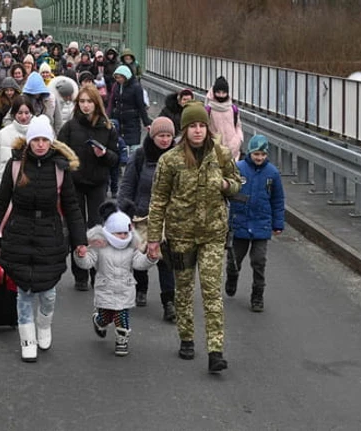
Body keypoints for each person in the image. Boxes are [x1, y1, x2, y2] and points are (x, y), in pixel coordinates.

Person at [146, 102, 242, 374]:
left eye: (202, 125)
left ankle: (215, 351)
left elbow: (237, 183)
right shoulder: (171, 160)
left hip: (212, 234)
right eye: (192, 127)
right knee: (184, 290)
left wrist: (226, 185)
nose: (198, 131)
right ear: (185, 130)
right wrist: (154, 238)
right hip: (181, 235)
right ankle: (186, 338)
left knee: (212, 292)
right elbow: (158, 200)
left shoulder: (220, 154)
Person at [0, 115, 87, 362]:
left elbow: (71, 205)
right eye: (36, 140)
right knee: (23, 291)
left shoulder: (60, 167)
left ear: (51, 142)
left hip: (49, 232)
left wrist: (80, 240)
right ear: (29, 141)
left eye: (44, 140)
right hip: (19, 231)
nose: (40, 144)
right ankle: (27, 338)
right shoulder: (16, 164)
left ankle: (44, 325)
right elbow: (2, 202)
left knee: (49, 291)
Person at [74, 200, 158, 356]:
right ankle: (99, 321)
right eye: (119, 233)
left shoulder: (132, 246)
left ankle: (122, 339)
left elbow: (139, 263)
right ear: (110, 232)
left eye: (126, 233)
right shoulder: (99, 245)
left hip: (124, 288)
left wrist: (150, 258)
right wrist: (81, 255)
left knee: (121, 314)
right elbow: (87, 263)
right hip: (105, 288)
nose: (123, 236)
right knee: (106, 317)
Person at [57, 85, 119, 291]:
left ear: (96, 104)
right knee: (77, 227)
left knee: (96, 229)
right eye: (82, 102)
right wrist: (67, 167)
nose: (85, 105)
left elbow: (115, 159)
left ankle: (96, 271)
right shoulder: (69, 127)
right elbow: (59, 154)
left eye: (89, 102)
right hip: (74, 183)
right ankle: (80, 273)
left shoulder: (107, 128)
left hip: (98, 183)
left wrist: (104, 155)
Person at [118, 117, 177, 321]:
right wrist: (123, 213)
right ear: (153, 136)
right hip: (141, 215)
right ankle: (141, 287)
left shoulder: (178, 156)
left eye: (168, 136)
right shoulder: (141, 156)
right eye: (161, 136)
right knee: (140, 256)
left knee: (165, 260)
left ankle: (169, 301)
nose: (165, 140)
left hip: (168, 217)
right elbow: (127, 184)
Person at [226, 135, 285, 312]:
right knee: (234, 259)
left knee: (259, 261)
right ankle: (232, 277)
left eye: (262, 154)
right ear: (250, 153)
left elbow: (278, 199)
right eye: (256, 154)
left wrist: (278, 223)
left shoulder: (272, 174)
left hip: (261, 224)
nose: (259, 158)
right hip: (240, 223)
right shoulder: (238, 169)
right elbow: (228, 192)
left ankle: (257, 295)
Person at [0, 95, 34, 203]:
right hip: (4, 191)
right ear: (14, 114)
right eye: (20, 113)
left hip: (30, 193)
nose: (23, 117)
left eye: (27, 113)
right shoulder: (3, 134)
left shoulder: (38, 135)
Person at [108, 65, 151, 153]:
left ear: (126, 76)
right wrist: (108, 116)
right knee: (121, 145)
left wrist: (146, 122)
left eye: (119, 77)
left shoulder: (136, 87)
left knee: (134, 147)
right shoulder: (116, 86)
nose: (118, 80)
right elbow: (112, 102)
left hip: (132, 120)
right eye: (116, 78)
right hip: (119, 119)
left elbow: (141, 105)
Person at [206, 76, 244, 161]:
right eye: (218, 92)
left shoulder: (233, 109)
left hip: (233, 151)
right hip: (214, 152)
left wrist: (238, 140)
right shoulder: (209, 109)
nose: (221, 95)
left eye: (224, 92)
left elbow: (238, 126)